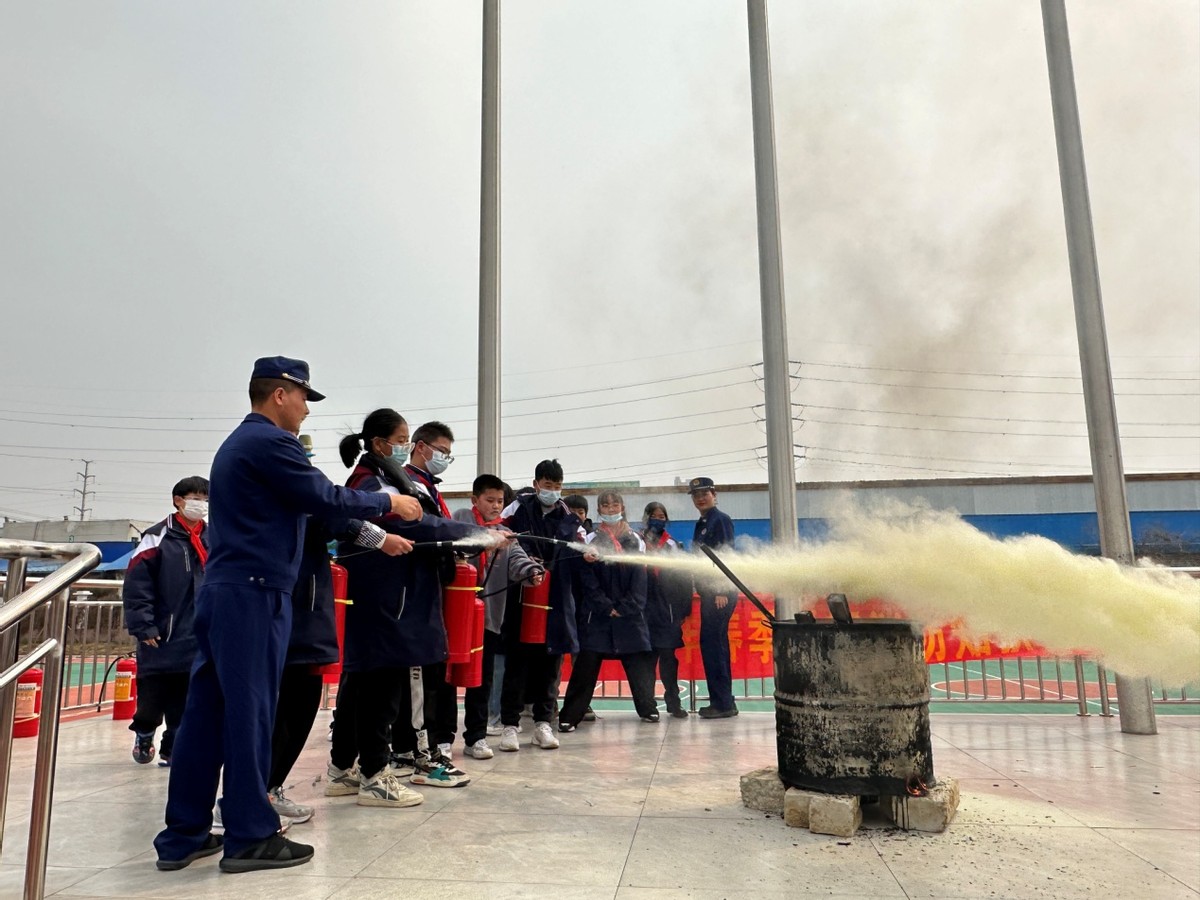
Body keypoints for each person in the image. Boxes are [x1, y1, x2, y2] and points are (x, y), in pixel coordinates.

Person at [153, 357, 423, 874]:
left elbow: (314, 508)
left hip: (228, 592)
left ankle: (183, 833)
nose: (305, 410)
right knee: (252, 714)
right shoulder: (270, 442)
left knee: (206, 715)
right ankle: (250, 834)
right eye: (303, 398)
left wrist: (371, 527)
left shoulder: (241, 444)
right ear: (280, 394)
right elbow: (323, 498)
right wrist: (388, 503)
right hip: (254, 595)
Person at [328, 413, 501, 802]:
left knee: (365, 683)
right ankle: (376, 775)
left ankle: (343, 768)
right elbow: (414, 526)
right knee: (380, 688)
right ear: (379, 444)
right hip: (389, 601)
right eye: (401, 439)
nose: (405, 447)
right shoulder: (375, 485)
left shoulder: (388, 480)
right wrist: (475, 534)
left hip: (395, 597)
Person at [266, 436, 414, 824]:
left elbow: (331, 515)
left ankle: (266, 788)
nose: (305, 410)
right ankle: (255, 793)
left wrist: (380, 537)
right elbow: (334, 508)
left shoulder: (286, 479)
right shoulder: (288, 476)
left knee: (299, 701)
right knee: (288, 705)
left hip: (302, 609)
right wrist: (387, 512)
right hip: (292, 609)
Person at [497, 459, 587, 752]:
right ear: (536, 485)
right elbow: (501, 536)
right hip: (521, 597)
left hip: (556, 599)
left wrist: (587, 555)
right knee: (517, 663)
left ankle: (543, 724)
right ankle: (510, 725)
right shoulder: (516, 509)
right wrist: (526, 563)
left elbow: (580, 548)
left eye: (558, 486)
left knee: (550, 665)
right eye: (548, 485)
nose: (553, 491)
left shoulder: (569, 518)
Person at [452, 474, 544, 758]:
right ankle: (440, 740)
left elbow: (517, 558)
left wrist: (531, 571)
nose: (495, 506)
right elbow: (458, 545)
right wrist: (487, 541)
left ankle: (476, 738)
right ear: (475, 499)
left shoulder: (505, 533)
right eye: (489, 500)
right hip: (454, 616)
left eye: (500, 501)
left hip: (488, 617)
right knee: (445, 679)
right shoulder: (460, 520)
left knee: (482, 679)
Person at [122, 476, 210, 767]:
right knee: (152, 696)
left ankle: (173, 749)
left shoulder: (212, 537)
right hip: (161, 633)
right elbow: (137, 585)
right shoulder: (157, 537)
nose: (201, 504)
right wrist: (143, 625)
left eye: (205, 499)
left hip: (197, 633)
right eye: (195, 498)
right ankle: (145, 731)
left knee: (186, 700)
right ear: (178, 500)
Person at [559, 491, 659, 730]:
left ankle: (648, 708)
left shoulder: (636, 540)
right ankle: (570, 716)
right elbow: (586, 578)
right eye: (605, 506)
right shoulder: (590, 538)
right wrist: (604, 606)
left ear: (622, 508)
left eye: (615, 505)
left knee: (639, 663)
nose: (611, 509)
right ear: (599, 510)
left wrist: (627, 607)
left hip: (630, 615)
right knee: (586, 666)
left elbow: (640, 578)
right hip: (597, 615)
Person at [687, 476, 738, 719]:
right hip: (709, 593)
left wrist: (720, 589)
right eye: (696, 495)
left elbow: (725, 554)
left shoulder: (720, 520)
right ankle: (724, 700)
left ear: (714, 495)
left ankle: (723, 704)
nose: (700, 498)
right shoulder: (703, 523)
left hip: (719, 593)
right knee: (713, 646)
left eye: (705, 494)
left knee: (714, 647)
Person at [640, 501, 693, 718]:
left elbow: (684, 578)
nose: (658, 520)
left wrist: (684, 610)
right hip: (644, 610)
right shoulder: (637, 542)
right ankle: (648, 706)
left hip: (668, 611)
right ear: (646, 518)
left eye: (662, 517)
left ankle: (673, 702)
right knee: (646, 661)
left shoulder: (672, 545)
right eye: (654, 516)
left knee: (668, 658)